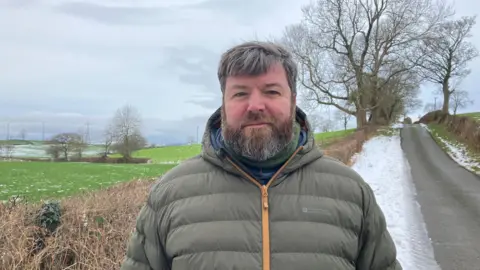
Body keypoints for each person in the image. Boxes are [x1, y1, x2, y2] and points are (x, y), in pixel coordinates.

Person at [120, 41, 402, 270]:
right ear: (224, 105)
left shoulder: (350, 192)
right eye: (240, 94)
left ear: (293, 100)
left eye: (271, 91)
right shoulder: (170, 195)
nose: (255, 106)